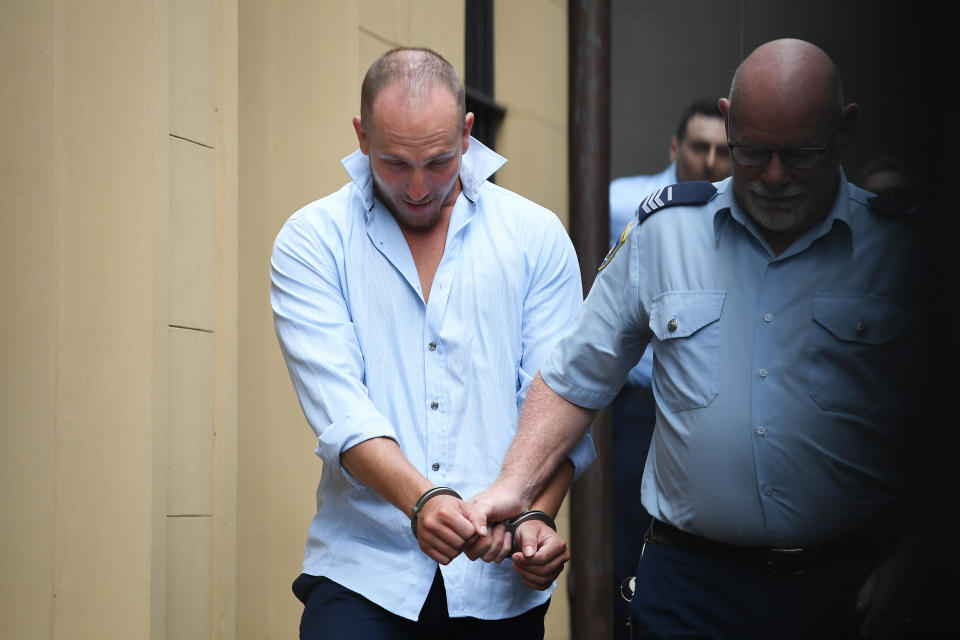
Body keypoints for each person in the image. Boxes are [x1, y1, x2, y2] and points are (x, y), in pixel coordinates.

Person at [471, 39, 929, 639]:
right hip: (690, 588)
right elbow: (575, 377)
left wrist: (921, 554)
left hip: (849, 591)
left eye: (798, 154)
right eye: (753, 150)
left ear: (845, 133)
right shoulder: (665, 234)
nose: (772, 175)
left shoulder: (900, 252)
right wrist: (515, 485)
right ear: (730, 123)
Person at [270, 47, 594, 639]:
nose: (418, 187)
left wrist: (534, 514)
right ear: (361, 135)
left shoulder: (537, 237)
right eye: (394, 163)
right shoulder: (311, 241)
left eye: (439, 161)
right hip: (361, 573)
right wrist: (423, 501)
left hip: (498, 585)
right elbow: (341, 411)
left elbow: (557, 401)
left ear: (467, 133)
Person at [607, 99, 731, 640]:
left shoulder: (742, 212)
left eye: (723, 150)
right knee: (628, 537)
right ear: (674, 148)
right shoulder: (620, 202)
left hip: (711, 404)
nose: (710, 160)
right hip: (638, 406)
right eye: (699, 147)